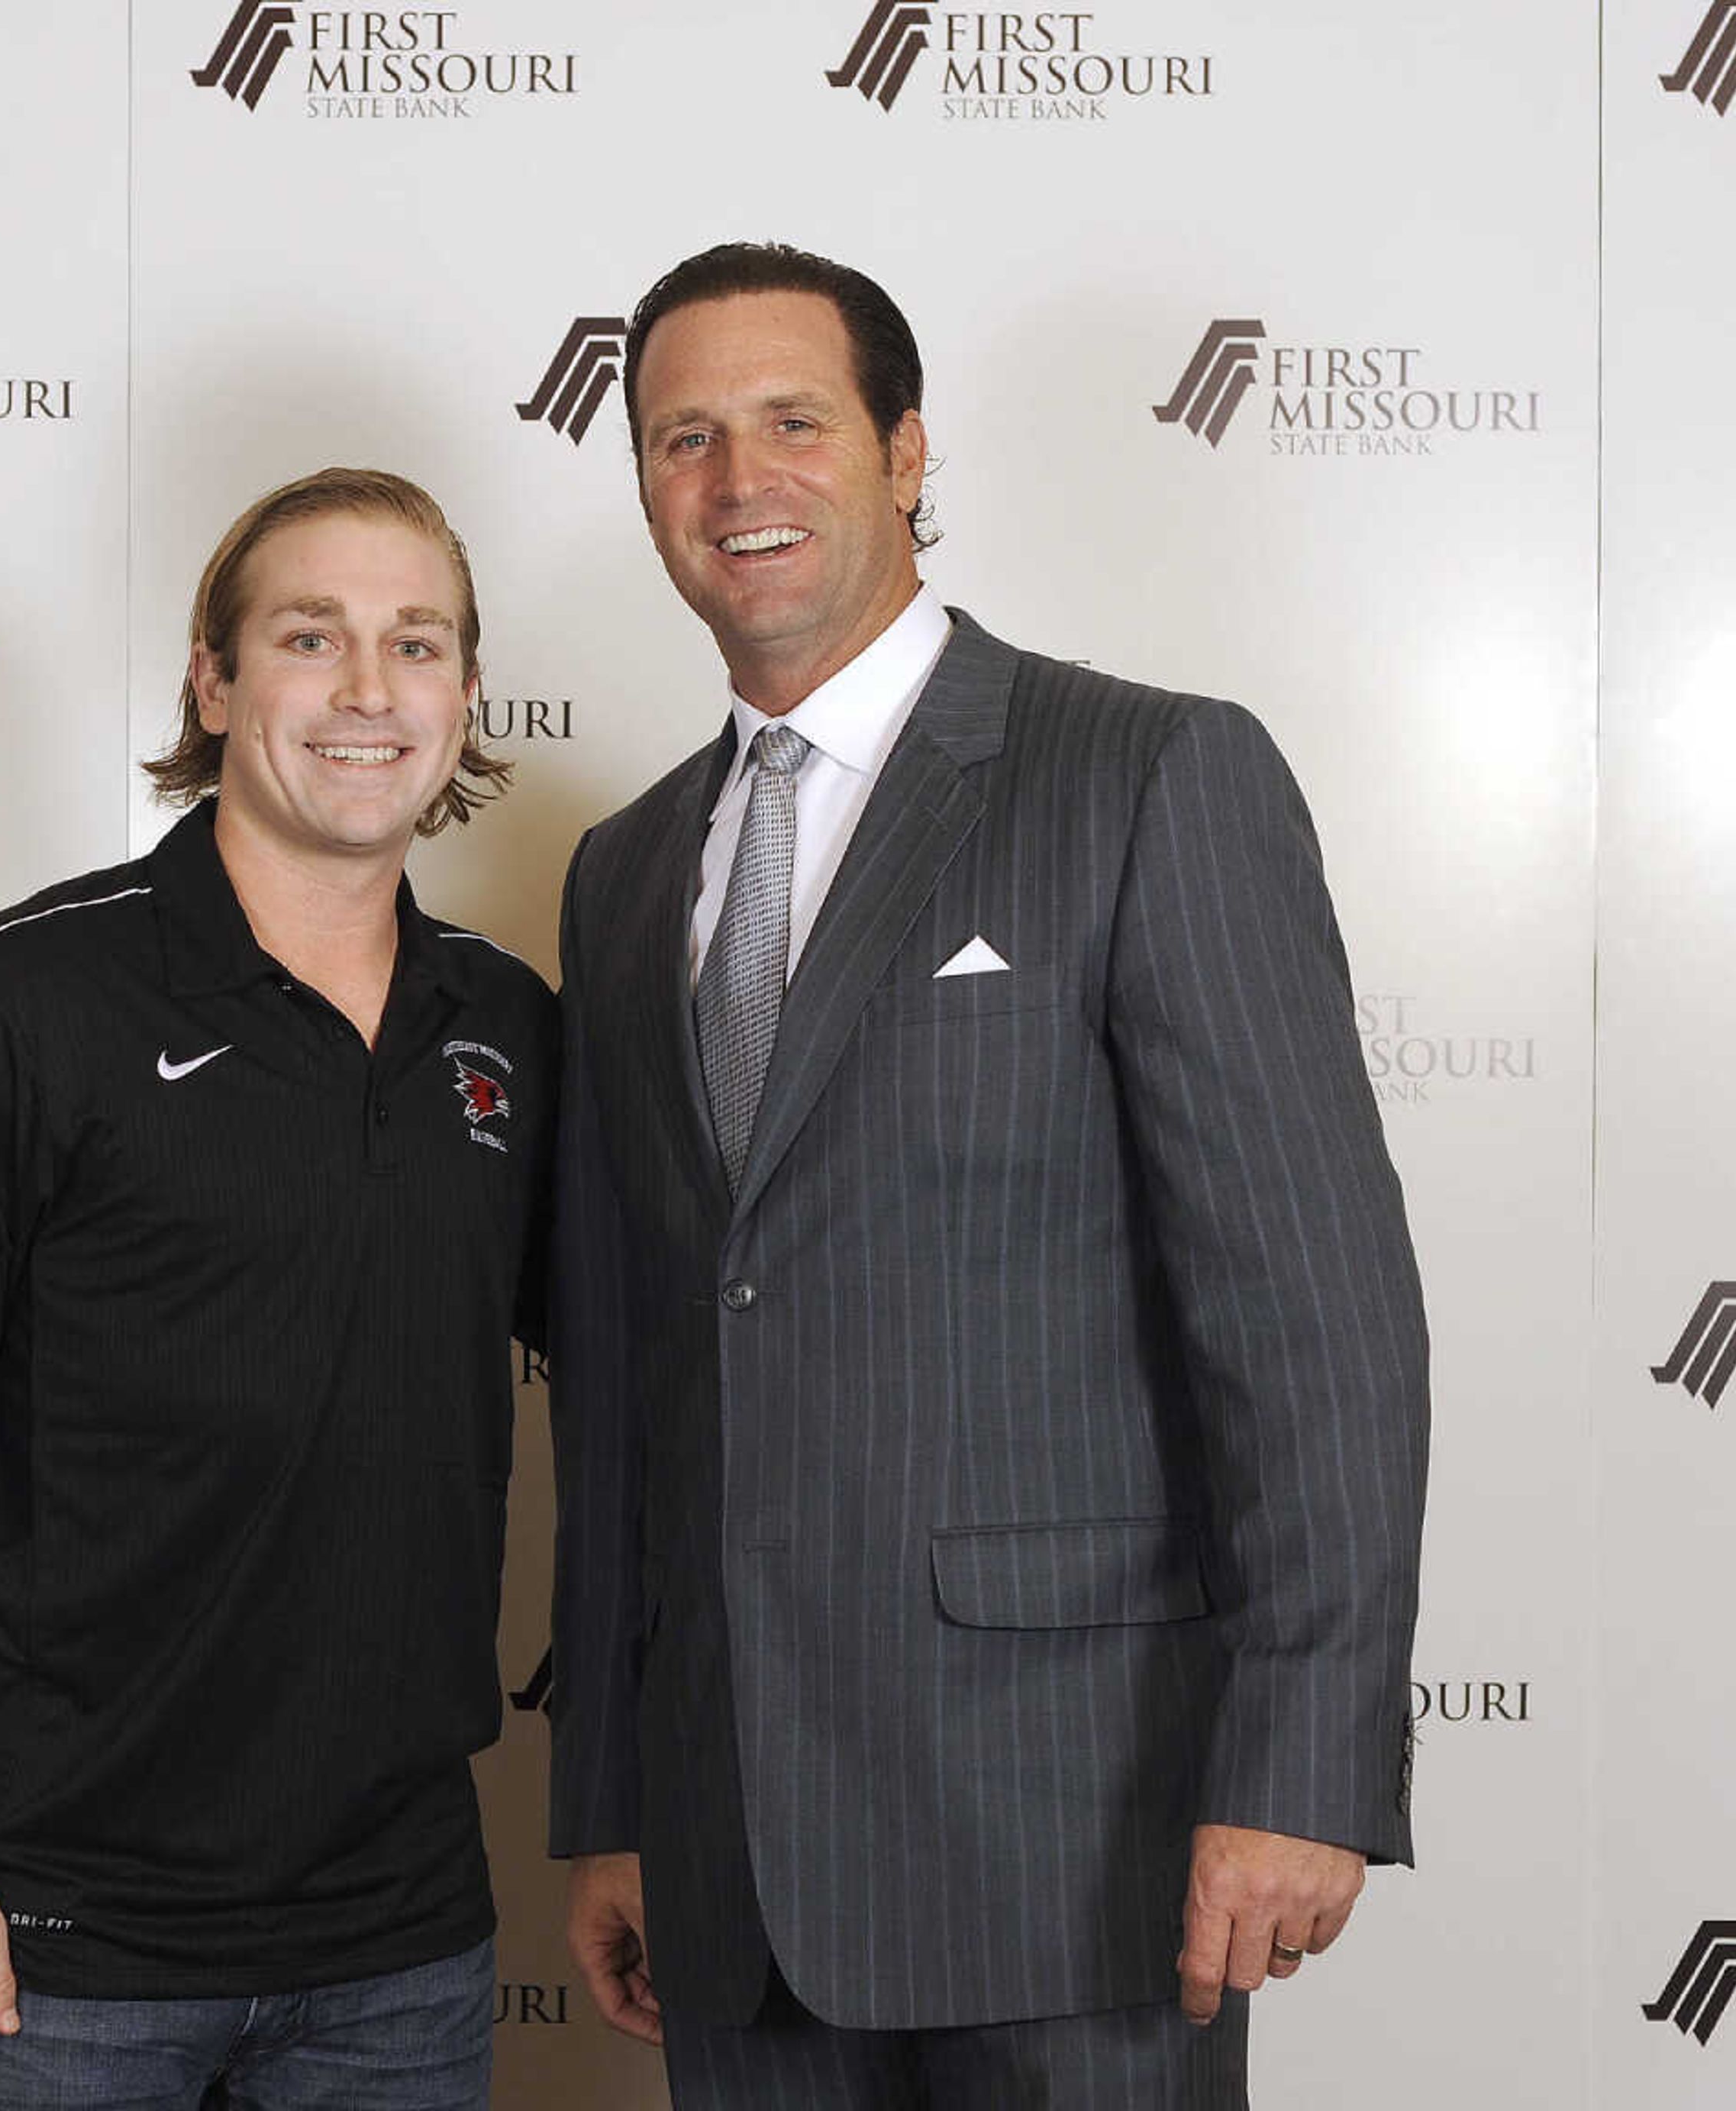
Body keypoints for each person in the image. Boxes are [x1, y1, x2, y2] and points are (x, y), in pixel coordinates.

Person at [545, 243, 1431, 2106]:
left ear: (907, 452)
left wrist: (1299, 1765)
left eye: (795, 422)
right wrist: (619, 1801)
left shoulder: (1146, 776)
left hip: (1073, 1842)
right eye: (683, 438)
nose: (737, 480)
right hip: (737, 1865)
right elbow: (628, 1384)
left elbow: (1315, 1320)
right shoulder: (624, 874)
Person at [0, 467, 552, 2110]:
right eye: (311, 638)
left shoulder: (513, 1029)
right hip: (55, 1947)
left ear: (466, 697)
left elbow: (673, 1385)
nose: (370, 691)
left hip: (403, 1945)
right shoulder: (4, 1000)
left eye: (418, 644)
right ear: (214, 686)